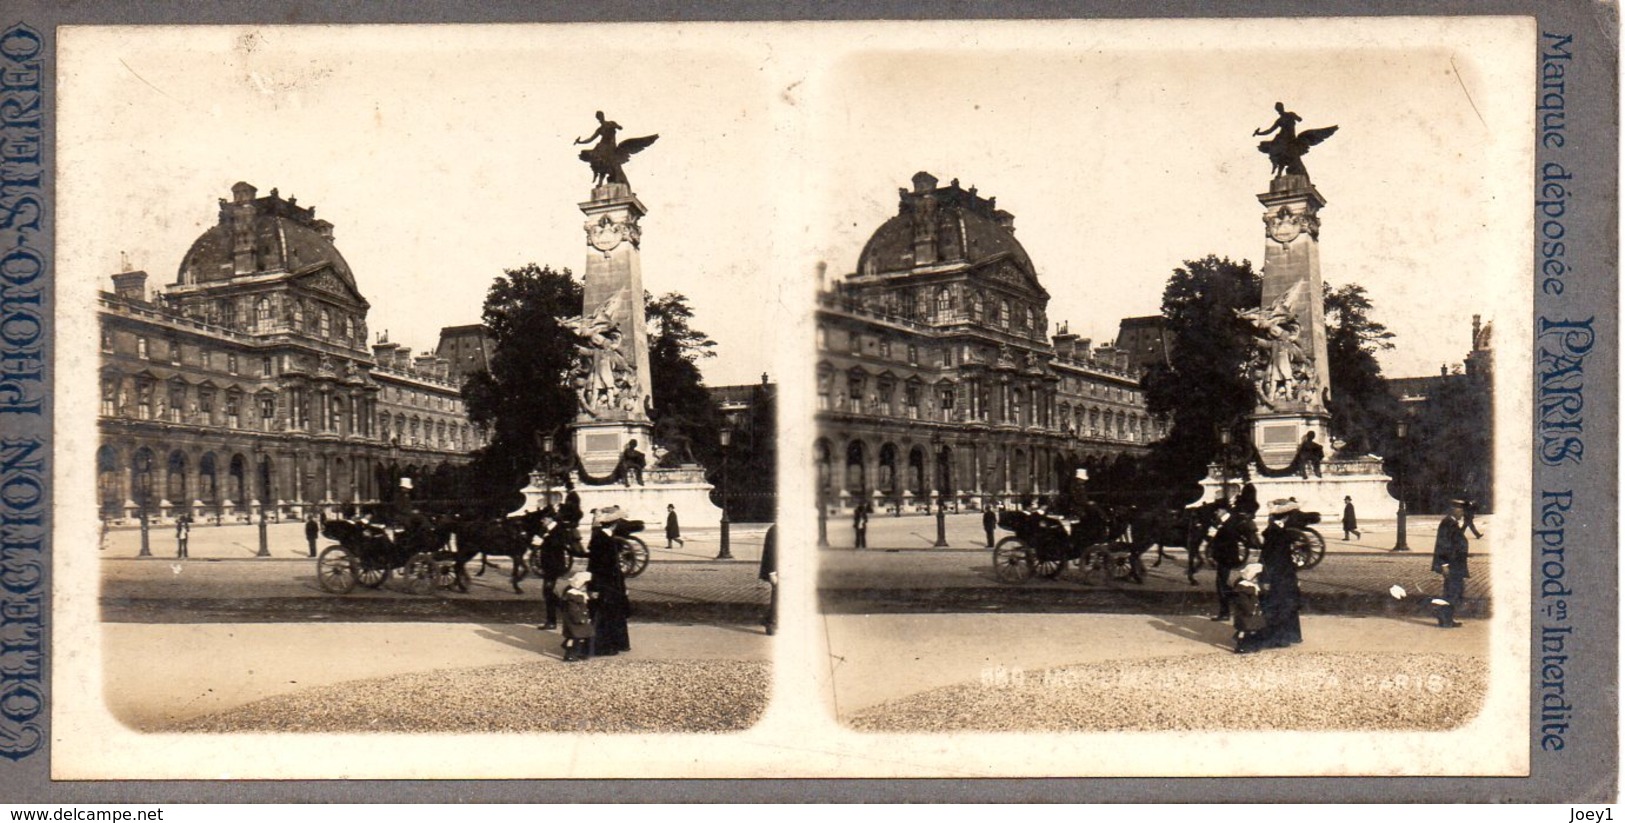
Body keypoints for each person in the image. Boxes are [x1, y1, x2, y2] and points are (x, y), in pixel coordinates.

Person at [1244, 499, 1305, 650]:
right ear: (1285, 517)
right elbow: (1270, 559)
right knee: (1282, 606)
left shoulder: (1275, 531)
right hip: (1280, 576)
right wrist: (1265, 578)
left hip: (1283, 575)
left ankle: (1289, 635)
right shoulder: (1277, 533)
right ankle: (1282, 637)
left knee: (1286, 605)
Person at [587, 506, 633, 656]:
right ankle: (605, 646)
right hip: (605, 584)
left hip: (610, 584)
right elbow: (596, 566)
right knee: (606, 615)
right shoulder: (603, 540)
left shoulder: (603, 538)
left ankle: (615, 643)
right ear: (614, 523)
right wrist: (594, 587)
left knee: (612, 614)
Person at [1205, 503, 1255, 622]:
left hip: (1226, 557)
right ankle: (1233, 605)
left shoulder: (1230, 522)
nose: (1215, 513)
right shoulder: (1224, 521)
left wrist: (1215, 535)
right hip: (1223, 556)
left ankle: (1228, 610)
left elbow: (1228, 539)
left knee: (1221, 584)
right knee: (1221, 584)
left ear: (1223, 510)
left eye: (1217, 510)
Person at [1432, 502, 1470, 628]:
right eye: (1460, 510)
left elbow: (1456, 541)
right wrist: (1444, 564)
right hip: (1451, 564)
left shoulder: (1451, 522)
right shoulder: (1447, 523)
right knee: (1453, 591)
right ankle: (1444, 616)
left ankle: (1447, 617)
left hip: (1456, 564)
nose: (1462, 513)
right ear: (1453, 510)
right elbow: (1443, 545)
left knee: (1454, 591)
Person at [532, 513, 572, 631]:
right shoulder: (545, 529)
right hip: (548, 566)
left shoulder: (559, 529)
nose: (541, 521)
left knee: (547, 592)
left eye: (543, 518)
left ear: (550, 519)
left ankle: (556, 616)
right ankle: (560, 611)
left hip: (554, 566)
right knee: (548, 592)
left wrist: (544, 539)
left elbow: (556, 545)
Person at [558, 571, 595, 662]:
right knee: (576, 638)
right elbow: (573, 610)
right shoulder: (574, 596)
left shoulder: (578, 595)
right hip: (576, 621)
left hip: (580, 620)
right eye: (585, 585)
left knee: (578, 637)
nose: (586, 588)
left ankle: (575, 651)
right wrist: (579, 618)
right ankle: (570, 654)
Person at [759, 524, 778, 636]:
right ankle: (771, 623)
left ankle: (770, 621)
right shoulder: (775, 530)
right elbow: (770, 552)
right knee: (778, 597)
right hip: (778, 570)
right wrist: (772, 572)